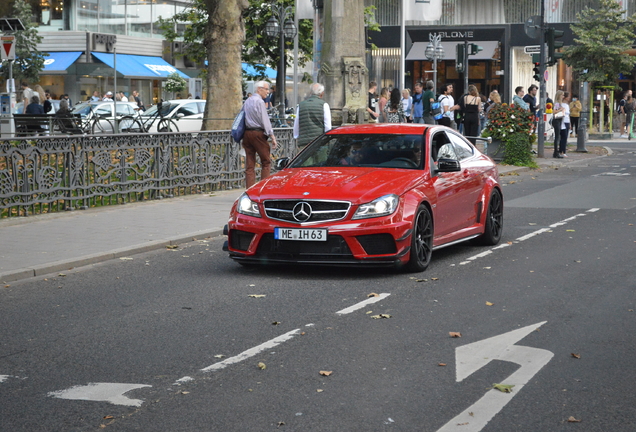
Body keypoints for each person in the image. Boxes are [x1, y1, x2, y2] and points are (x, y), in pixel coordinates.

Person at [243, 80, 278, 188]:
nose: (268, 92)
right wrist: (272, 136)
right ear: (259, 89)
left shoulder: (247, 101)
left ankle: (249, 189)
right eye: (266, 89)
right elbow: (265, 120)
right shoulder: (260, 102)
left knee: (250, 163)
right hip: (258, 133)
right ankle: (263, 189)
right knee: (266, 161)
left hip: (247, 133)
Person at [293, 82, 332, 148]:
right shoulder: (324, 105)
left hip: (304, 143)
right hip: (319, 142)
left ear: (311, 92)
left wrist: (296, 137)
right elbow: (327, 126)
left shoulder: (301, 105)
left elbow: (297, 123)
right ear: (322, 93)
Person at [552, 90, 565, 158]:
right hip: (556, 120)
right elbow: (554, 111)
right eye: (562, 95)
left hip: (558, 120)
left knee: (558, 136)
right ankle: (556, 152)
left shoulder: (559, 103)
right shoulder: (557, 103)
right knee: (557, 136)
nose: (563, 97)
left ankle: (556, 151)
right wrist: (561, 110)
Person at [558, 92, 571, 157]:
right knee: (563, 136)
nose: (569, 98)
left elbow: (568, 115)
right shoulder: (560, 104)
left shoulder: (567, 105)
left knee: (565, 137)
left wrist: (570, 123)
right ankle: (561, 151)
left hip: (567, 121)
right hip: (562, 121)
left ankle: (563, 150)